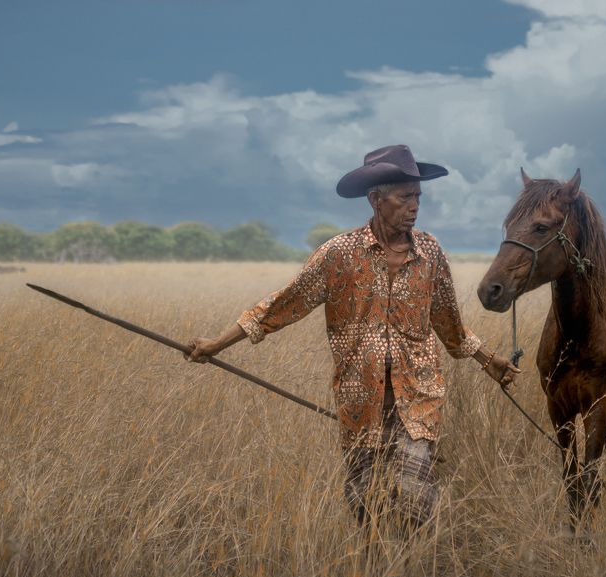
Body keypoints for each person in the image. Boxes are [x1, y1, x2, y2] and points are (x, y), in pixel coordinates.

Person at [186, 144, 519, 534]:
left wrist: (489, 359)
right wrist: (214, 345)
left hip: (419, 393)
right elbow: (280, 306)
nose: (414, 206)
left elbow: (450, 327)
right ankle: (376, 573)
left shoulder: (430, 253)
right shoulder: (338, 254)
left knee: (414, 493)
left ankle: (410, 571)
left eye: (418, 197)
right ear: (376, 199)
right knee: (367, 501)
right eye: (404, 197)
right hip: (361, 397)